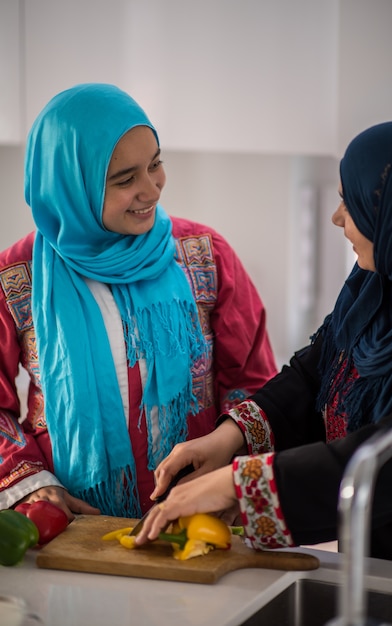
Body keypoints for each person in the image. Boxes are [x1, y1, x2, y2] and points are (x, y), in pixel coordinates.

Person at [136, 119, 392, 565]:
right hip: (374, 565)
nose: (337, 218)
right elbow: (316, 372)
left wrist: (236, 484)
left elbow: (388, 464)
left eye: (354, 203)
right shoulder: (378, 285)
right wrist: (230, 437)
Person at [0, 83, 277, 520]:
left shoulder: (205, 253)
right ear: (70, 185)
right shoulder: (16, 278)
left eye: (156, 165)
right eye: (125, 179)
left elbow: (253, 381)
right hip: (73, 527)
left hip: (200, 518)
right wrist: (30, 482)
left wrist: (226, 460)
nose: (152, 189)